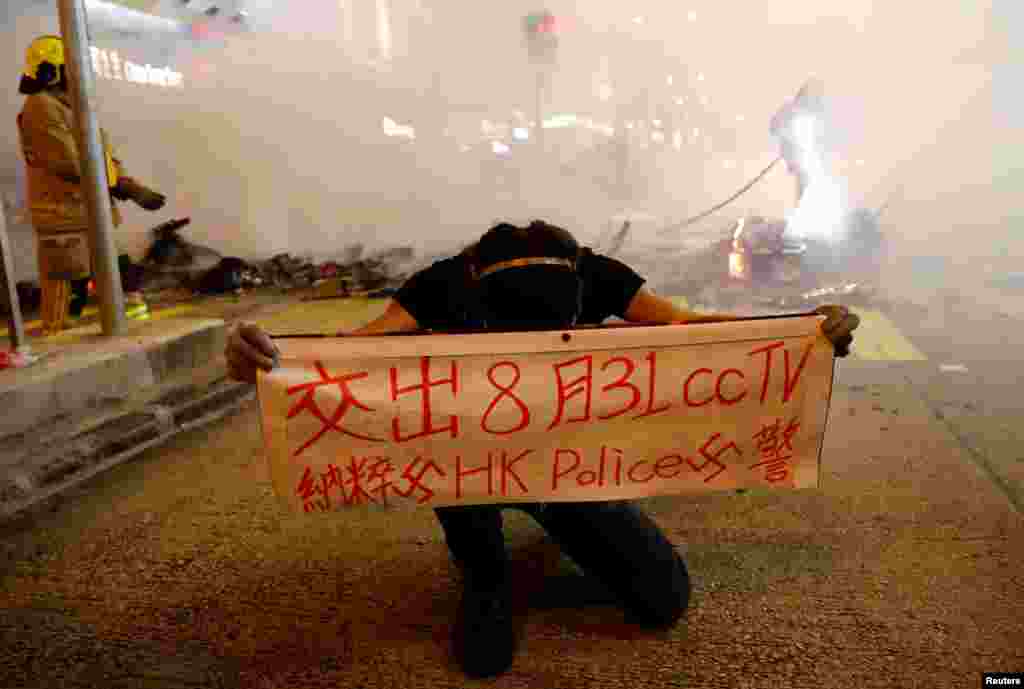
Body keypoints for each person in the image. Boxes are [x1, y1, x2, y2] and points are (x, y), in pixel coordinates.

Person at [225, 220, 859, 678]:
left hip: (570, 462)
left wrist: (807, 331)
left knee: (663, 599)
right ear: (473, 292)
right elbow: (342, 359)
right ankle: (485, 575)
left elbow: (685, 328)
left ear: (577, 294)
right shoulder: (441, 283)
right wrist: (258, 359)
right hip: (466, 459)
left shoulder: (598, 273)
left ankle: (540, 539)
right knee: (463, 497)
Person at [17, 35, 166, 333]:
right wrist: (122, 187)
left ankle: (129, 346)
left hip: (89, 214)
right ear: (52, 71)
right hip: (64, 220)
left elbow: (102, 154)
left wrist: (125, 182)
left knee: (123, 283)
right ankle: (58, 361)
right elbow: (71, 163)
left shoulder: (72, 107)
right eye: (70, 67)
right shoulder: (40, 106)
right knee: (65, 306)